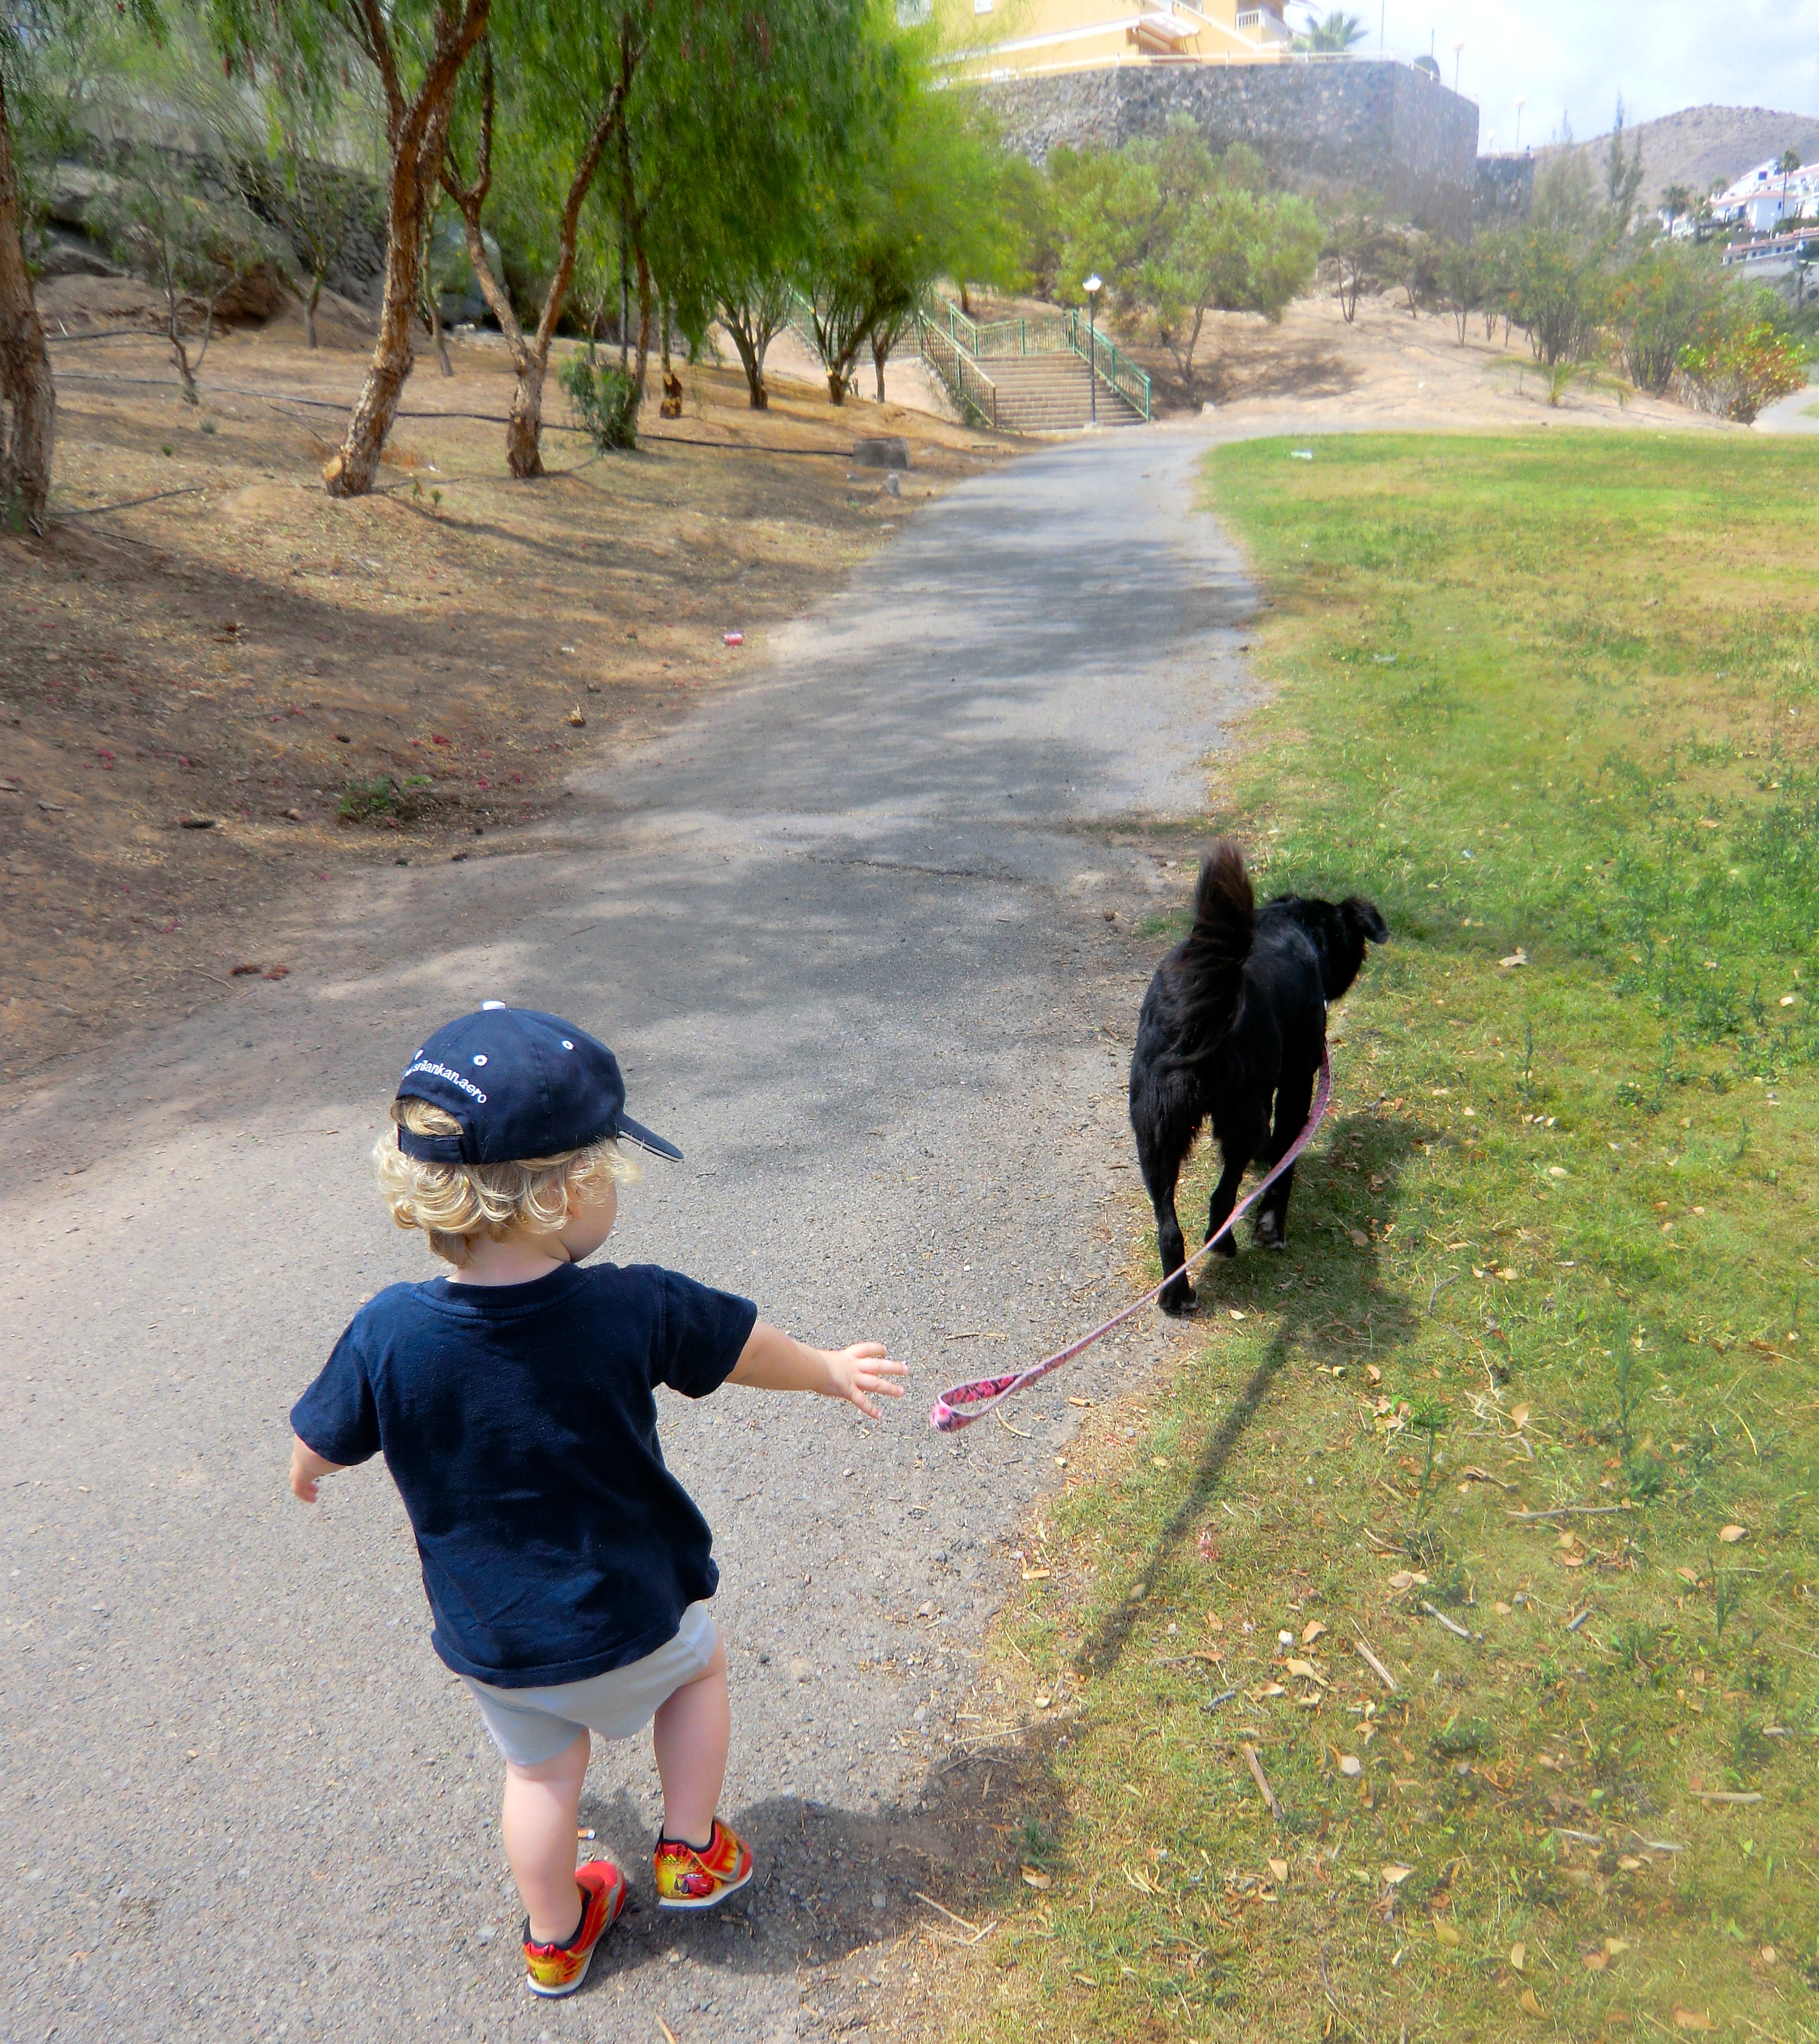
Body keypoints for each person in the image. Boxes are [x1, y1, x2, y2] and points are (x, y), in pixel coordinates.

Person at [287, 1004, 907, 1998]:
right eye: (608, 1175)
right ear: (567, 1191)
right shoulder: (634, 1304)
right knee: (698, 1680)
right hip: (636, 1610)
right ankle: (691, 1847)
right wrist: (828, 1370)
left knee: (539, 1777)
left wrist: (308, 1470)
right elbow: (744, 1351)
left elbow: (322, 1438)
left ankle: (555, 1934)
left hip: (500, 1640)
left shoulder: (387, 1330)